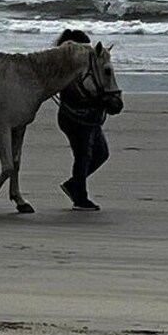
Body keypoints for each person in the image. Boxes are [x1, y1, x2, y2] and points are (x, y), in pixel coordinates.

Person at [55, 29, 109, 211]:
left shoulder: (87, 67)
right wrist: (97, 100)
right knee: (83, 156)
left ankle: (74, 185)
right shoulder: (67, 71)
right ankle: (80, 196)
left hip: (89, 117)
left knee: (100, 154)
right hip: (74, 117)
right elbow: (75, 94)